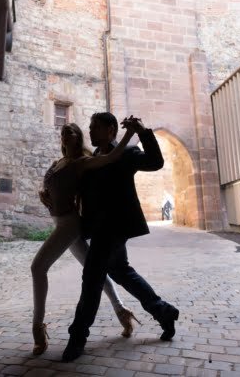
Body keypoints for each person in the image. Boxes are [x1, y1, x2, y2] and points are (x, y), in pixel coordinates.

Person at [62, 112, 180, 362]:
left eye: (95, 128)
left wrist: (143, 133)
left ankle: (77, 337)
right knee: (121, 271)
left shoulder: (126, 153)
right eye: (90, 127)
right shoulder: (93, 157)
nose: (90, 132)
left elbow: (155, 162)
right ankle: (163, 312)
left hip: (115, 227)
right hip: (99, 229)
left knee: (92, 276)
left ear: (111, 130)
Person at [31, 119, 142, 356]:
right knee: (95, 271)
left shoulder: (82, 162)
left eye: (72, 131)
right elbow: (50, 187)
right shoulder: (58, 162)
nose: (66, 134)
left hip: (70, 224)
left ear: (78, 137)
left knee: (38, 267)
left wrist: (129, 134)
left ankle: (37, 329)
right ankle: (122, 311)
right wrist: (44, 194)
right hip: (59, 221)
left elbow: (111, 158)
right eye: (64, 132)